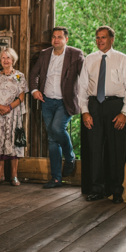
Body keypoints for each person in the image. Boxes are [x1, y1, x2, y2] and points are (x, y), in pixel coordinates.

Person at [77, 26, 126, 204]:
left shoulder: (122, 59)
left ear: (112, 39)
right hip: (94, 106)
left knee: (117, 149)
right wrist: (85, 112)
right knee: (95, 149)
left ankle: (117, 189)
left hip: (115, 107)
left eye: (103, 37)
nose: (99, 41)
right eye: (97, 38)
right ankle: (96, 188)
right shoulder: (89, 59)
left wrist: (124, 112)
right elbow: (82, 87)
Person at [29, 27, 85, 189]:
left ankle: (69, 157)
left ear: (66, 39)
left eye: (59, 37)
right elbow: (34, 74)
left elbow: (85, 76)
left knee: (57, 129)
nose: (56, 40)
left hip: (65, 102)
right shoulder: (45, 54)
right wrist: (34, 90)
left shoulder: (76, 54)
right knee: (52, 139)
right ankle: (56, 178)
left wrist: (85, 97)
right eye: (54, 37)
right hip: (46, 101)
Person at [0, 47, 28, 186]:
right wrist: (0, 107)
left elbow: (22, 96)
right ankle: (0, 175)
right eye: (3, 58)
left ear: (13, 59)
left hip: (13, 114)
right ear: (0, 60)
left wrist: (8, 107)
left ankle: (14, 175)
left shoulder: (19, 76)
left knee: (13, 143)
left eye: (8, 57)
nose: (6, 60)